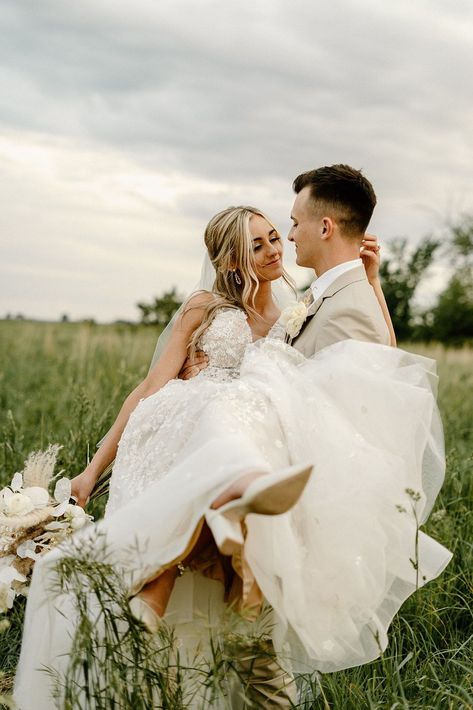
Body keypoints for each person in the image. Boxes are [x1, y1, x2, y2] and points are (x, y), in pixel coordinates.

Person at [14, 166, 451, 710]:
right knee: (217, 630)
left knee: (242, 636)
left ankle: (219, 538)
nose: (276, 247)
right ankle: (191, 564)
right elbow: (148, 389)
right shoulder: (208, 308)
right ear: (228, 258)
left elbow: (368, 361)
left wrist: (374, 283)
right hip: (191, 445)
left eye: (278, 233)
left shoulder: (294, 309)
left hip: (265, 469)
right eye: (260, 243)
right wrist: (93, 469)